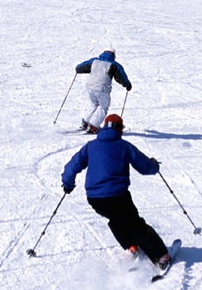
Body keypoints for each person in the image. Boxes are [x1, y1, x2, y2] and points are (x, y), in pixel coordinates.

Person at [61, 114, 172, 270]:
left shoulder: (90, 146)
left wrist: (68, 184)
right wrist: (154, 166)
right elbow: (144, 166)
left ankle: (132, 246)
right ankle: (161, 256)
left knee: (116, 220)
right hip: (117, 196)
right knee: (135, 224)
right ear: (119, 129)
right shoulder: (123, 146)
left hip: (95, 199)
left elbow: (72, 166)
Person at [75, 48, 131, 133]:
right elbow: (121, 77)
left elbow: (79, 68)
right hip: (102, 89)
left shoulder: (94, 61)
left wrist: (78, 70)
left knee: (94, 104)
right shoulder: (114, 65)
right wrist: (127, 85)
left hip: (90, 87)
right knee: (103, 107)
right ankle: (93, 126)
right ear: (113, 55)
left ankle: (86, 123)